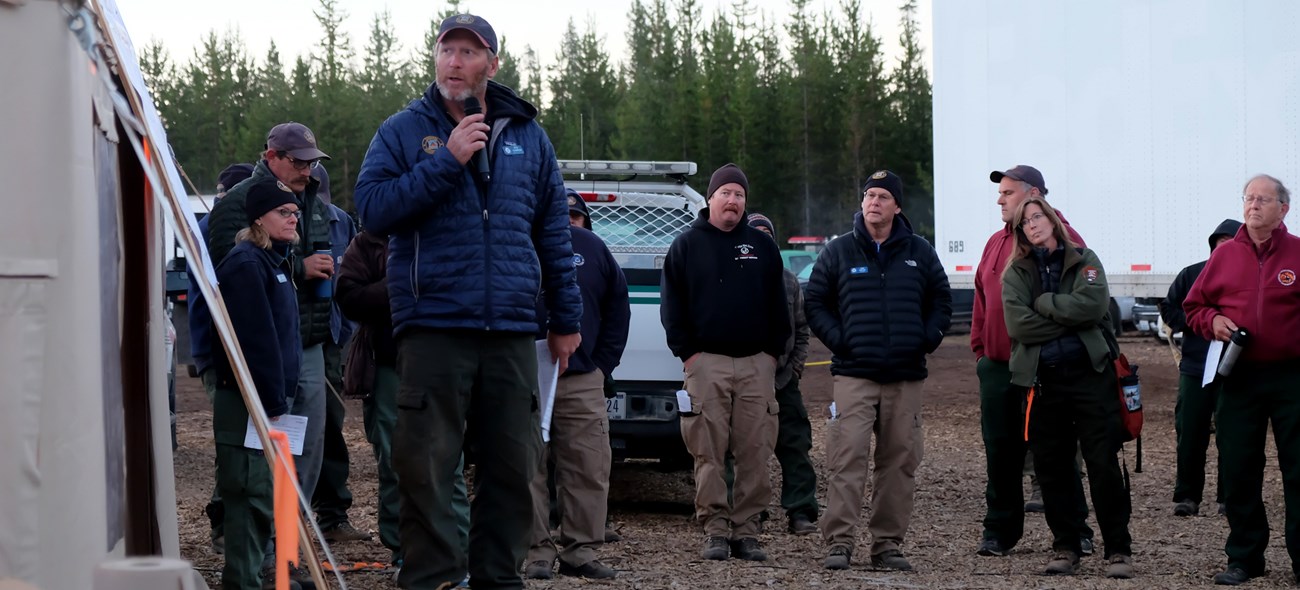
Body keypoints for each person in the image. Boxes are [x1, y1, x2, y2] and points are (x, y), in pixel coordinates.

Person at [353, 13, 582, 590]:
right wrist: (445, 161)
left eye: (468, 52)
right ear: (435, 60)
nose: (455, 61)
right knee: (426, 468)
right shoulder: (403, 131)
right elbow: (374, 210)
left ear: (492, 64)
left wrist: (566, 319)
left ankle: (498, 580)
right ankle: (434, 579)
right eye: (446, 50)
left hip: (509, 327)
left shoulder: (528, 136)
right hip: (432, 326)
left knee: (513, 466)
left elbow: (554, 232)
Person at [804, 170, 952, 571]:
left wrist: (928, 337)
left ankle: (887, 545)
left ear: (897, 206)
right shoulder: (839, 252)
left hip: (905, 377)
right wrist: (841, 339)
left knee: (899, 464)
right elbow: (815, 301)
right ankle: (839, 542)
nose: (874, 202)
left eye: (883, 196)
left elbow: (941, 299)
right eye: (869, 195)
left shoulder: (919, 252)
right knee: (846, 459)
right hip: (854, 374)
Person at [659, 163, 790, 562]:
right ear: (711, 198)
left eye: (739, 195)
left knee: (754, 451)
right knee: (708, 452)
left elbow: (778, 306)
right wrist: (690, 355)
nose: (732, 201)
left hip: (756, 365)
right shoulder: (686, 245)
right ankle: (715, 528)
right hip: (706, 365)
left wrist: (770, 355)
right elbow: (672, 308)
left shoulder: (762, 246)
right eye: (725, 193)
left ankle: (747, 530)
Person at [1001, 197, 1134, 579]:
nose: (1033, 225)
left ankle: (1118, 549)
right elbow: (1019, 327)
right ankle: (1067, 545)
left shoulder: (1084, 260)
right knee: (1053, 467)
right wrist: (1068, 319)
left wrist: (1043, 303)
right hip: (1043, 382)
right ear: (1020, 231)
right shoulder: (1016, 272)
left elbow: (1094, 309)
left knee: (1102, 462)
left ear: (1053, 219)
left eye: (1037, 217)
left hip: (1091, 376)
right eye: (1025, 222)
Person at [206, 122, 334, 506]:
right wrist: (300, 268)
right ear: (271, 157)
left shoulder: (313, 198)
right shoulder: (238, 203)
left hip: (308, 338)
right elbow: (231, 272)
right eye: (298, 162)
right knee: (257, 449)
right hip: (265, 343)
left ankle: (289, 537)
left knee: (307, 444)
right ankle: (255, 545)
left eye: (312, 162)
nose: (307, 170)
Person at [973, 165, 1095, 558]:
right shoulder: (995, 241)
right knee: (1000, 451)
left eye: (1008, 193)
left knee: (1055, 452)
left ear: (1035, 196)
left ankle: (1075, 532)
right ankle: (999, 532)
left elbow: (1077, 306)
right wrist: (982, 351)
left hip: (1044, 366)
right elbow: (982, 298)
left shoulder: (1064, 241)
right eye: (1001, 193)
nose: (1000, 199)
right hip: (997, 367)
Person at [1185, 175, 1300, 586]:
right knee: (1238, 468)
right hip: (1239, 376)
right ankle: (1245, 558)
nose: (1253, 206)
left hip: (1292, 378)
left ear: (1283, 209)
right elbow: (1194, 305)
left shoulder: (1297, 253)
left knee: (1298, 470)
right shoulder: (1224, 256)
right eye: (1249, 198)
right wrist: (1212, 320)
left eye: (1263, 200)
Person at [524, 189, 631, 580]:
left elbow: (619, 307)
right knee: (528, 466)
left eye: (575, 216)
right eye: (561, 213)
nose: (568, 221)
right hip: (528, 374)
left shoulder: (594, 249)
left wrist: (602, 366)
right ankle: (536, 552)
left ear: (585, 220)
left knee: (587, 466)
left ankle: (580, 551)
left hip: (582, 377)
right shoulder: (520, 243)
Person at [209, 178, 304, 589]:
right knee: (248, 497)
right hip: (249, 403)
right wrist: (271, 403)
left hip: (271, 400)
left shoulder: (272, 262)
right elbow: (256, 341)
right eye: (284, 212)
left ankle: (272, 575)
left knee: (266, 496)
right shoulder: (246, 264)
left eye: (295, 212)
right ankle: (243, 583)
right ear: (259, 219)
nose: (292, 219)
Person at [1160, 218, 1241, 518]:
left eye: (1231, 243)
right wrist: (1195, 325)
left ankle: (1227, 497)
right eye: (1220, 244)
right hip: (1195, 368)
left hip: (1235, 369)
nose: (1225, 249)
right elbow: (1169, 308)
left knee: (1231, 433)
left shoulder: (1246, 278)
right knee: (1190, 430)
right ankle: (1187, 495)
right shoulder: (1192, 274)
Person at [745, 212, 819, 535]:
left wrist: (796, 369)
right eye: (756, 233)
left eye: (767, 233)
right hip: (745, 381)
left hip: (784, 379)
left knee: (796, 444)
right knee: (745, 448)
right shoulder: (736, 275)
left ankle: (801, 512)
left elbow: (802, 330)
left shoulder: (789, 280)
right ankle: (751, 513)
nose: (763, 238)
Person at [306, 164, 369, 543]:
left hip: (331, 340)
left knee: (330, 425)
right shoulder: (282, 214)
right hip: (296, 340)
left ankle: (332, 516)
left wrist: (345, 333)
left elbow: (349, 279)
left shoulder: (342, 222)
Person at [195, 163, 255, 555]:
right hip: (220, 348)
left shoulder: (205, 227)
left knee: (235, 439)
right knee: (232, 439)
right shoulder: (220, 231)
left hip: (216, 346)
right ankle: (223, 521)